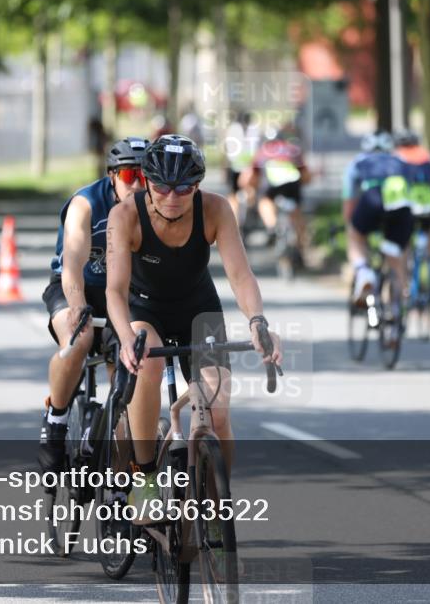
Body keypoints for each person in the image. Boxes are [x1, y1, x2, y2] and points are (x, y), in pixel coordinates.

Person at [105, 134, 283, 524]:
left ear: (197, 185)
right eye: (163, 186)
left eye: (184, 187)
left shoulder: (215, 209)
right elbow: (115, 291)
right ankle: (146, 476)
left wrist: (257, 322)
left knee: (218, 414)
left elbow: (240, 276)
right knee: (147, 363)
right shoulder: (125, 216)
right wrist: (124, 339)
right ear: (148, 184)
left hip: (197, 310)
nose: (173, 196)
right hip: (143, 310)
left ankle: (219, 502)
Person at [37, 137, 149, 483]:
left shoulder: (153, 206)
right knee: (79, 337)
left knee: (132, 376)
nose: (138, 183)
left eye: (146, 176)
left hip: (121, 296)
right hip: (74, 289)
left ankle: (121, 477)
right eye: (130, 174)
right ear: (112, 175)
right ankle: (55, 419)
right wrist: (78, 306)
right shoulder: (86, 204)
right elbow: (71, 265)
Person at [342, 131, 414, 309]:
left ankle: (364, 272)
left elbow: (349, 199)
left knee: (355, 234)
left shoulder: (358, 162)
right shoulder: (401, 161)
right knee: (396, 249)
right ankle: (400, 296)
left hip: (372, 199)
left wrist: (350, 223)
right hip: (400, 205)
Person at [239, 127, 310, 251]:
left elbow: (247, 178)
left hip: (272, 184)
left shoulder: (262, 152)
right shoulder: (293, 150)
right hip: (293, 184)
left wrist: (249, 189)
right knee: (297, 214)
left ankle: (272, 227)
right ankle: (300, 247)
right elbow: (306, 176)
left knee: (265, 202)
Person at [394, 129, 430, 298]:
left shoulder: (397, 155)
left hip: (408, 204)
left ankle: (405, 285)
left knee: (404, 239)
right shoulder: (427, 155)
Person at [222, 111, 260, 225]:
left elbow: (226, 150)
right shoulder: (254, 130)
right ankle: (251, 212)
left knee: (233, 194)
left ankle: (235, 222)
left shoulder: (232, 129)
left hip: (234, 166)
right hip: (249, 166)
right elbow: (256, 151)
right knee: (250, 190)